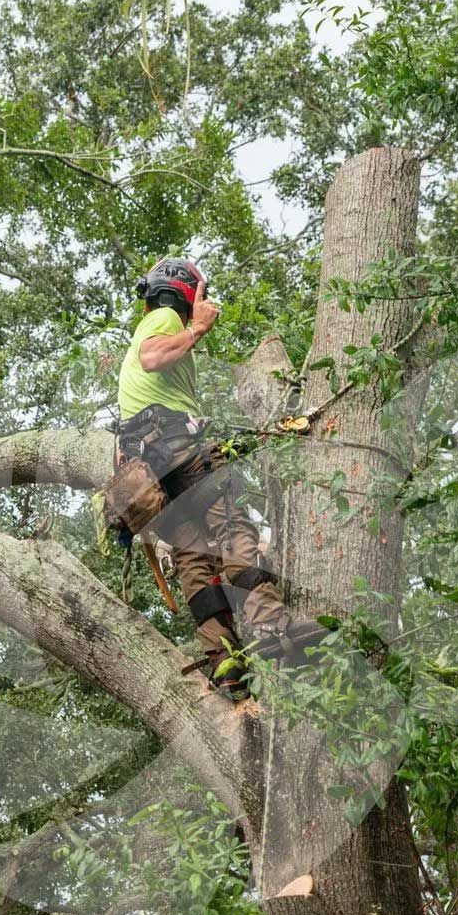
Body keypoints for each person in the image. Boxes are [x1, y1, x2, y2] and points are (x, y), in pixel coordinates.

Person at [114, 257, 291, 696]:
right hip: (176, 453)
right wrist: (197, 329)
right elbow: (155, 357)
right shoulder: (166, 316)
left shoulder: (147, 333)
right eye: (202, 293)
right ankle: (269, 625)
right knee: (233, 523)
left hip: (151, 476)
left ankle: (226, 665)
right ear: (183, 289)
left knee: (194, 559)